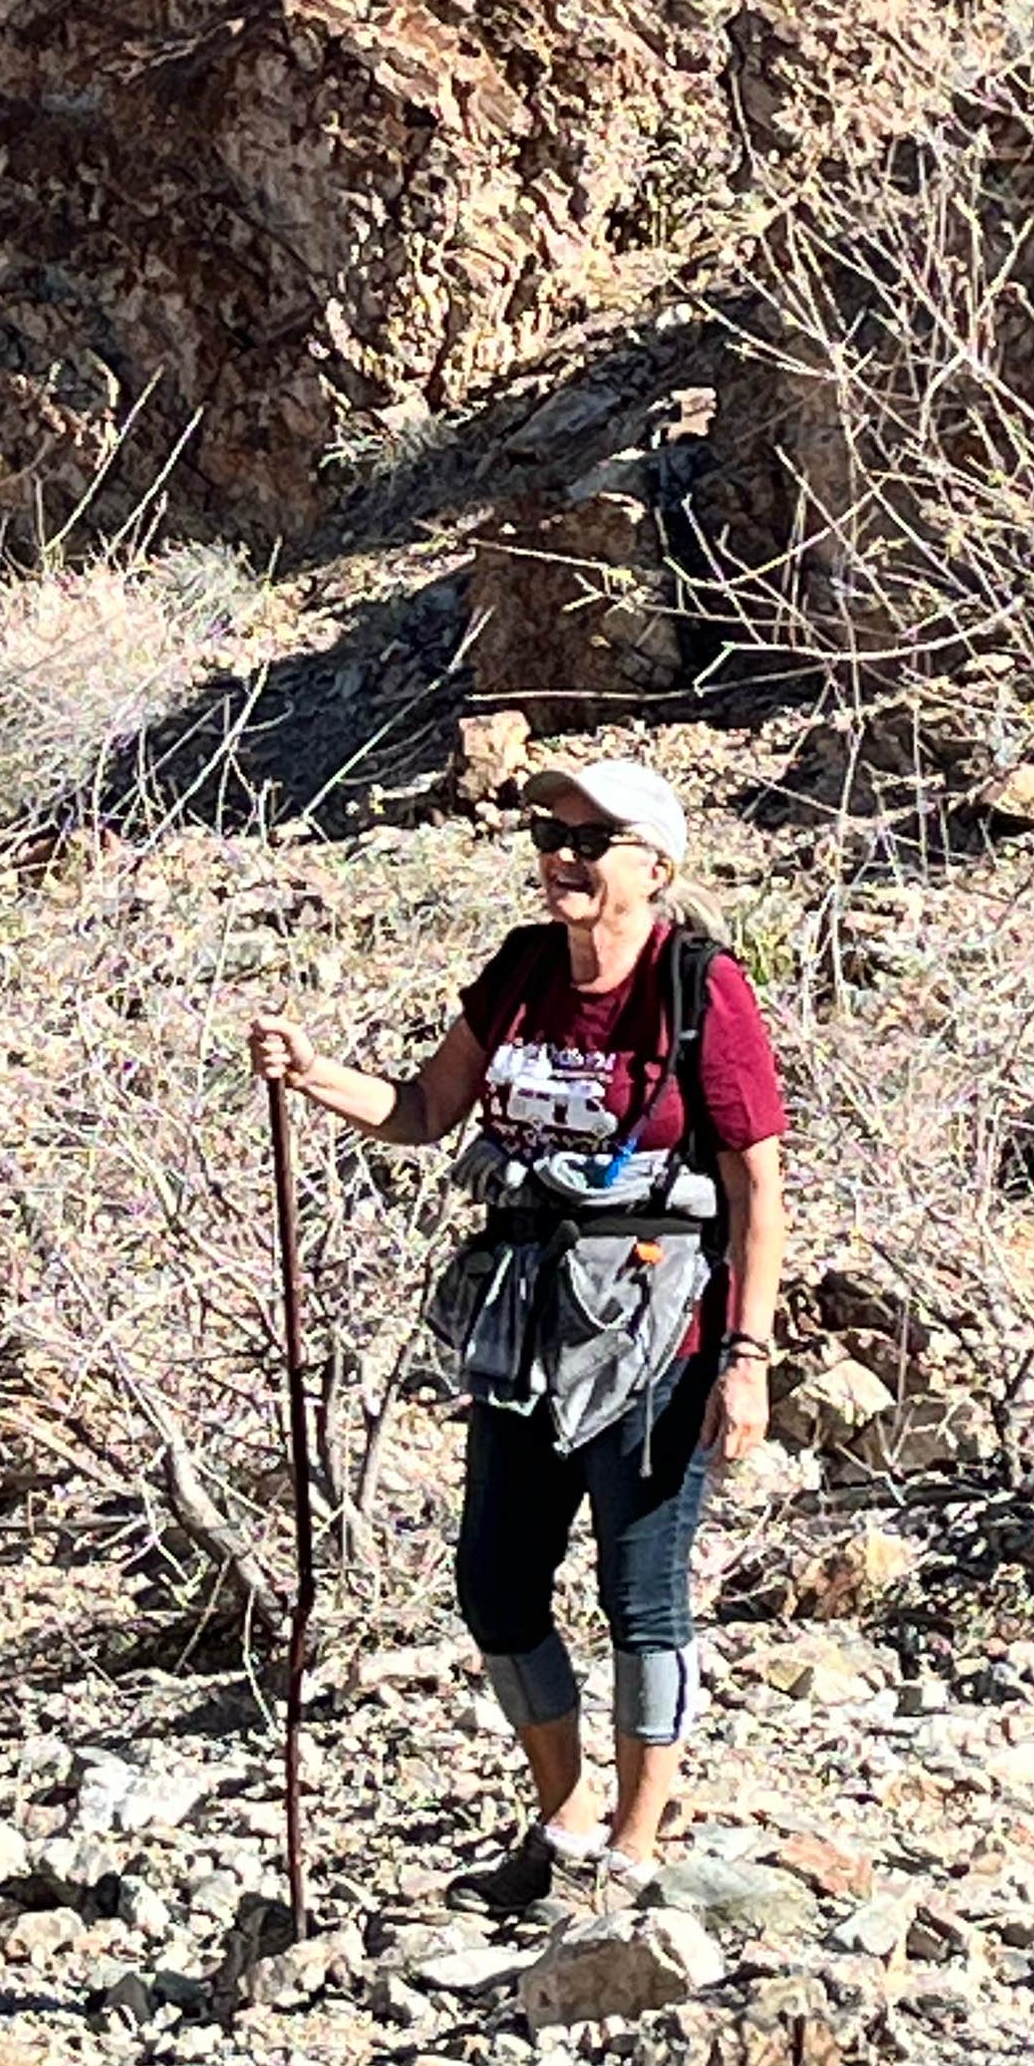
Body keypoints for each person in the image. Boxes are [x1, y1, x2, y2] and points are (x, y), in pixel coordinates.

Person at [248, 759, 786, 1897]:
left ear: (659, 865)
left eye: (594, 839)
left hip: (659, 1326)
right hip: (525, 1323)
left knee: (642, 1591)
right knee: (496, 1582)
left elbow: (756, 1186)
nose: (565, 855)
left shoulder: (702, 988)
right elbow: (429, 1109)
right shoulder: (522, 970)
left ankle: (638, 1849)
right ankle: (569, 1817)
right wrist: (314, 1076)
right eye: (552, 831)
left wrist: (747, 1357)